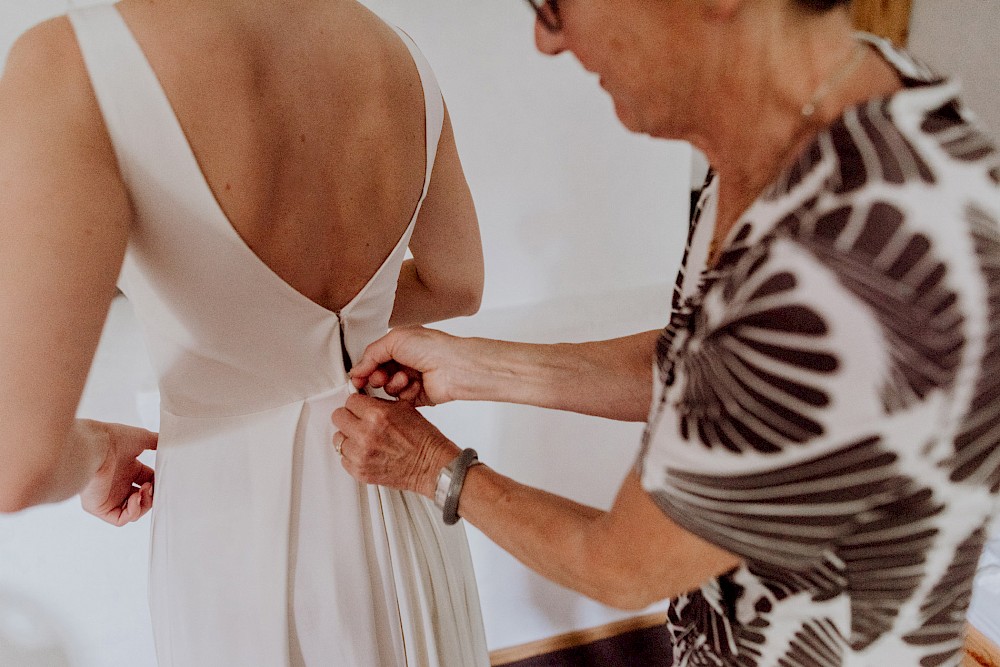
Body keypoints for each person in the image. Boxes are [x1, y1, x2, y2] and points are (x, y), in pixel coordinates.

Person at [333, 0, 1000, 665]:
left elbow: (623, 566)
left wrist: (431, 466)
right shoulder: (800, 133)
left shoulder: (850, 254)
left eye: (557, 4)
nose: (546, 40)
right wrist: (478, 366)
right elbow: (712, 371)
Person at [0, 0, 488, 665]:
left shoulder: (71, 62)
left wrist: (98, 447)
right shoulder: (397, 54)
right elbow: (457, 284)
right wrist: (328, 334)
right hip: (403, 500)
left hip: (231, 537)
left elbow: (17, 464)